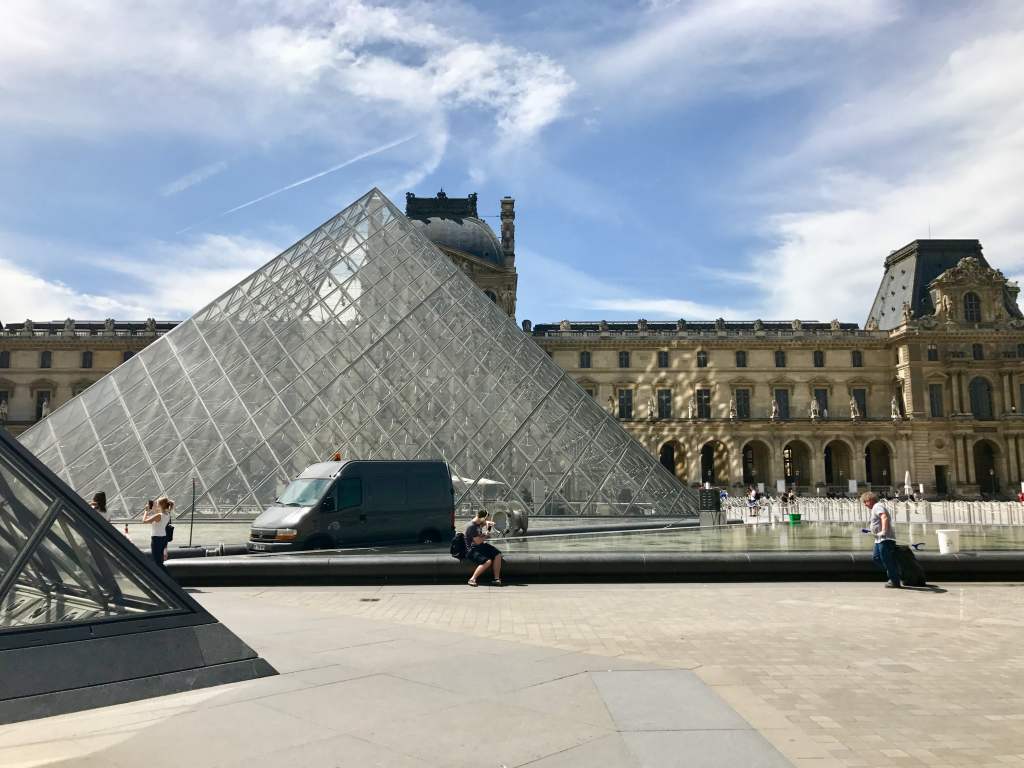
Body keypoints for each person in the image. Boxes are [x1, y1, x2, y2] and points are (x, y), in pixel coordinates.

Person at [861, 490, 900, 588]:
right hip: (879, 539)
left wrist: (883, 531)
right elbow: (878, 522)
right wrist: (870, 530)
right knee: (877, 558)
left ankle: (895, 580)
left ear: (870, 499)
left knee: (886, 559)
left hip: (885, 539)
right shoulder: (875, 507)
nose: (865, 505)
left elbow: (884, 517)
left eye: (865, 502)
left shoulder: (877, 506)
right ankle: (895, 573)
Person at [464, 510, 502, 587]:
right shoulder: (471, 526)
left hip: (479, 545)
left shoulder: (477, 523)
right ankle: (472, 579)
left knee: (497, 554)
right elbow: (478, 541)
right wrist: (487, 533)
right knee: (488, 562)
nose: (487, 521)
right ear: (482, 518)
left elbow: (482, 526)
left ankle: (496, 579)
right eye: (486, 519)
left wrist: (488, 524)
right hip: (472, 549)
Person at [142, 496, 173, 573]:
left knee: (157, 562)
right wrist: (153, 509)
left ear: (160, 505)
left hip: (157, 539)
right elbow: (157, 516)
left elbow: (144, 521)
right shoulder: (167, 514)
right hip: (163, 539)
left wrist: (146, 511)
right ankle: (165, 578)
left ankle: (169, 578)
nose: (156, 504)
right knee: (160, 561)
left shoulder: (159, 515)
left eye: (157, 503)